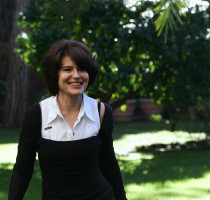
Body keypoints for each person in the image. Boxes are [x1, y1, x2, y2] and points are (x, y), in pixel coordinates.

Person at [8, 39, 127, 200]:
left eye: (82, 69)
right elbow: (23, 169)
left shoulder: (102, 112)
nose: (76, 76)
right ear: (55, 74)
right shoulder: (37, 114)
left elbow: (109, 163)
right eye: (67, 69)